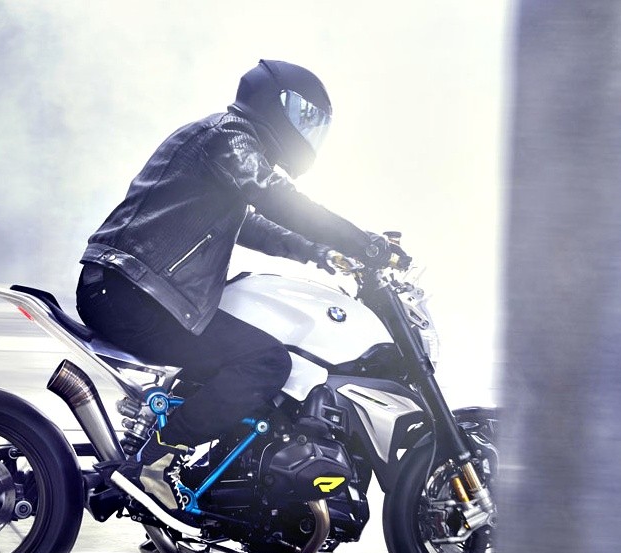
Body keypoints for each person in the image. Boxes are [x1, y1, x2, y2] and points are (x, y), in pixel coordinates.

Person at [75, 59, 406, 512]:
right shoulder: (227, 135)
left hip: (135, 288)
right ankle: (154, 462)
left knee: (245, 353)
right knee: (266, 361)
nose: (308, 132)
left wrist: (322, 252)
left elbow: (253, 225)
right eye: (306, 117)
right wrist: (362, 242)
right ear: (276, 104)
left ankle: (203, 481)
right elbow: (275, 198)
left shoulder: (224, 147)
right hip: (131, 291)